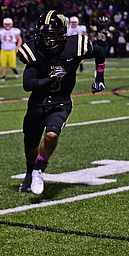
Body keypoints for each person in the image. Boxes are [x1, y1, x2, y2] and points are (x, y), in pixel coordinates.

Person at [17, 10, 106, 195]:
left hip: (61, 101)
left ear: (62, 34)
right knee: (31, 143)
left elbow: (99, 51)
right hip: (38, 101)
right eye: (44, 33)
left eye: (52, 34)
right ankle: (29, 173)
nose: (48, 38)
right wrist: (47, 80)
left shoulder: (76, 45)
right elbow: (27, 84)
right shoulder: (33, 50)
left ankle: (39, 170)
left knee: (51, 135)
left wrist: (99, 77)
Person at [0, 17, 22, 82]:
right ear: (3, 24)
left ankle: (15, 70)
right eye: (6, 24)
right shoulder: (1, 31)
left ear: (11, 24)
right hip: (3, 49)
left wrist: (18, 47)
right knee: (3, 64)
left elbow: (20, 40)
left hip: (12, 50)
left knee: (12, 65)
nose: (7, 25)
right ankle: (4, 76)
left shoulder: (15, 31)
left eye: (9, 24)